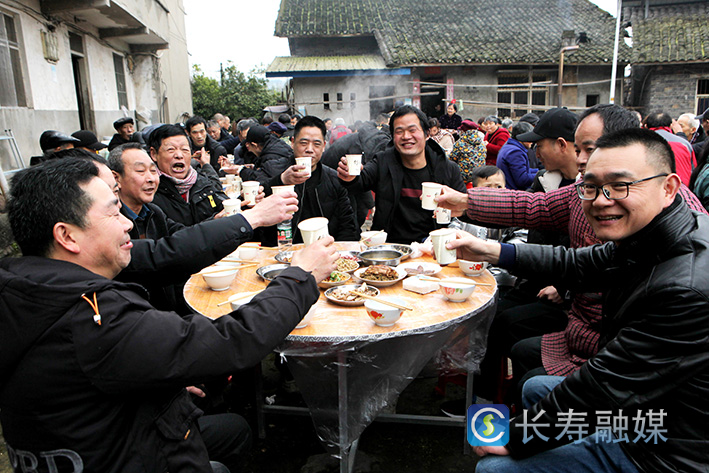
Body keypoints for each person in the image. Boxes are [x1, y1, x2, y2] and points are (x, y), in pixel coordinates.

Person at [0, 157, 339, 473]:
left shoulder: (22, 290)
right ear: (67, 235)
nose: (125, 226)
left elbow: (169, 253)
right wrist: (301, 275)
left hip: (99, 437)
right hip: (131, 455)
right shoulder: (94, 316)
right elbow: (230, 341)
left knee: (233, 430)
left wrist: (160, 383)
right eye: (112, 213)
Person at [450, 128, 709, 473]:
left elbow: (603, 385)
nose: (601, 200)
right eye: (591, 186)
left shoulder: (686, 289)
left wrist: (514, 437)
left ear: (669, 187)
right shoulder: (655, 234)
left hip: (666, 447)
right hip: (649, 404)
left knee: (493, 468)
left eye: (621, 185)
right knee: (536, 387)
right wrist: (493, 251)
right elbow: (577, 262)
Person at [337, 105, 466, 244]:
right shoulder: (383, 161)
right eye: (399, 131)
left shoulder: (447, 168)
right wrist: (350, 177)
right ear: (393, 136)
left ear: (427, 134)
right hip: (390, 248)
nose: (406, 137)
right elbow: (361, 181)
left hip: (433, 248)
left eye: (412, 130)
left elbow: (462, 210)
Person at [272, 116, 359, 242]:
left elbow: (348, 226)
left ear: (324, 146)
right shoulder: (275, 171)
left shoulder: (334, 179)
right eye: (303, 143)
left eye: (316, 144)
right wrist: (281, 180)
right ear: (292, 142)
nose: (309, 150)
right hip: (286, 252)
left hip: (327, 251)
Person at [149, 124, 228, 226]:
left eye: (184, 149)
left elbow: (224, 205)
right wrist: (213, 223)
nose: (179, 155)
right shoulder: (150, 194)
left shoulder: (202, 182)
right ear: (154, 154)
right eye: (171, 150)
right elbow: (170, 237)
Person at [322, 120, 391, 228]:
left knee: (358, 211)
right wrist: (372, 205)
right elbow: (359, 179)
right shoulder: (357, 148)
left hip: (344, 178)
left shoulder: (367, 142)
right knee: (351, 214)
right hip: (334, 178)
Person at [227, 125, 293, 186]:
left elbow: (261, 181)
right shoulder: (276, 145)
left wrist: (241, 171)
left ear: (255, 145)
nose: (247, 147)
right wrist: (254, 167)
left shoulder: (271, 156)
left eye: (248, 145)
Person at [643, 111, 696, 186]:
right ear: (671, 126)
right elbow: (693, 170)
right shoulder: (684, 144)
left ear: (646, 126)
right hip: (681, 189)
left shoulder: (640, 143)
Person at [496, 121, 538, 190]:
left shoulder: (509, 146)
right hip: (514, 194)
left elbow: (523, 170)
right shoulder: (515, 152)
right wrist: (541, 176)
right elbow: (522, 179)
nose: (532, 141)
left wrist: (538, 171)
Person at [449, 119, 486, 187]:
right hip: (479, 176)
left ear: (463, 131)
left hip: (462, 178)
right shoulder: (481, 143)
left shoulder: (460, 143)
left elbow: (452, 159)